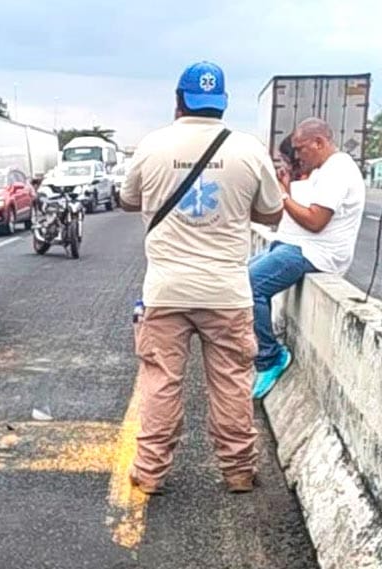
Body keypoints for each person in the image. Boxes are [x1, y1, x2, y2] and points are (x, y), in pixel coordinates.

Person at [119, 61, 284, 494]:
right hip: (227, 292)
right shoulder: (248, 150)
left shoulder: (152, 146)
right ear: (222, 104)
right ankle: (238, 472)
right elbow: (271, 212)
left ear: (178, 101)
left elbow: (127, 200)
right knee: (231, 382)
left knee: (161, 382)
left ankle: (151, 472)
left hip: (166, 291)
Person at [249, 118, 366, 399]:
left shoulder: (338, 171)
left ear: (319, 143)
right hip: (297, 244)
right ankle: (254, 346)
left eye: (301, 149)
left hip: (317, 252)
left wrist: (282, 196)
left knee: (249, 285)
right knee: (239, 275)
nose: (298, 154)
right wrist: (287, 192)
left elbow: (316, 221)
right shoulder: (322, 171)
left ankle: (270, 356)